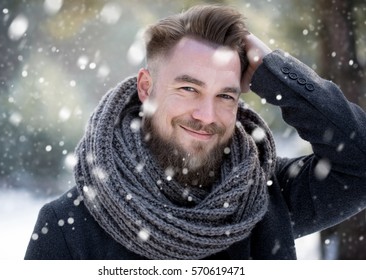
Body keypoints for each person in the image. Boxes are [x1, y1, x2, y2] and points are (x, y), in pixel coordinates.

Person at [24, 5, 366, 260]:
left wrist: (273, 71)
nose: (206, 115)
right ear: (146, 87)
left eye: (225, 96)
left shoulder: (266, 196)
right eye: (188, 89)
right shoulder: (67, 226)